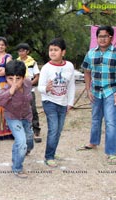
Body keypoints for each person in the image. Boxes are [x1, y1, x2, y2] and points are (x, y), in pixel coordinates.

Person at [77, 26, 116, 165]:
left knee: (111, 122)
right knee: (95, 118)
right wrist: (88, 90)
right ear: (96, 38)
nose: (102, 39)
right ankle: (93, 142)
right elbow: (87, 72)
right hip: (95, 91)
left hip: (111, 91)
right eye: (100, 36)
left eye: (105, 36)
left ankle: (111, 153)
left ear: (111, 37)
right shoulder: (91, 53)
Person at [38, 38, 75, 168]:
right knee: (53, 129)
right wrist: (46, 89)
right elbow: (40, 87)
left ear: (63, 52)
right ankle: (49, 157)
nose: (52, 52)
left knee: (58, 130)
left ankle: (52, 151)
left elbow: (71, 85)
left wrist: (70, 102)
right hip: (49, 102)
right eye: (51, 50)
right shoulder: (46, 68)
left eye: (56, 50)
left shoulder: (69, 66)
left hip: (63, 103)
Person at [0, 60, 34, 178]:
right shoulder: (6, 89)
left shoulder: (28, 83)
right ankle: (17, 167)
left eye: (18, 79)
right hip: (13, 117)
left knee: (28, 140)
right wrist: (10, 92)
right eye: (10, 78)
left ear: (23, 77)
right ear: (6, 78)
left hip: (26, 116)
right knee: (21, 143)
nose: (14, 82)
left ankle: (24, 150)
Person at [16, 43, 42, 143]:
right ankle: (22, 130)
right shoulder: (17, 62)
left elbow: (37, 76)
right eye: (19, 51)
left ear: (27, 51)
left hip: (29, 89)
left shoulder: (32, 62)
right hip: (19, 89)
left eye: (23, 50)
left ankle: (36, 130)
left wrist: (30, 83)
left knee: (33, 109)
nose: (21, 52)